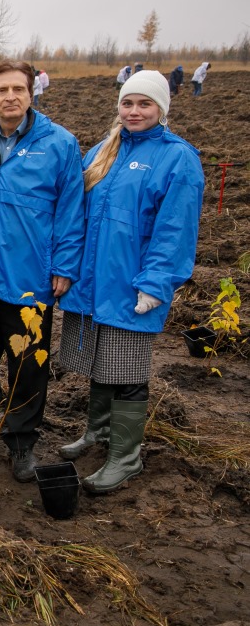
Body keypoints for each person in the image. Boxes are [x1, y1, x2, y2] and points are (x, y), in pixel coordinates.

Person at [57, 71, 203, 493]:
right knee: (101, 363)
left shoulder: (177, 158)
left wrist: (156, 283)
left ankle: (126, 457)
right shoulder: (103, 150)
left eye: (144, 104)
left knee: (128, 371)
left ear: (162, 109)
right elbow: (76, 214)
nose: (134, 112)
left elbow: (175, 230)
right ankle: (98, 434)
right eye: (127, 103)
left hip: (132, 285)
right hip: (92, 282)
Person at [0, 61, 85, 482]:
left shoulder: (59, 144)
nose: (10, 97)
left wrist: (63, 264)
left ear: (31, 94)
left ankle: (22, 443)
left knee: (28, 365)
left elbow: (71, 209)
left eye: (18, 90)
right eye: (1, 89)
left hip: (30, 278)